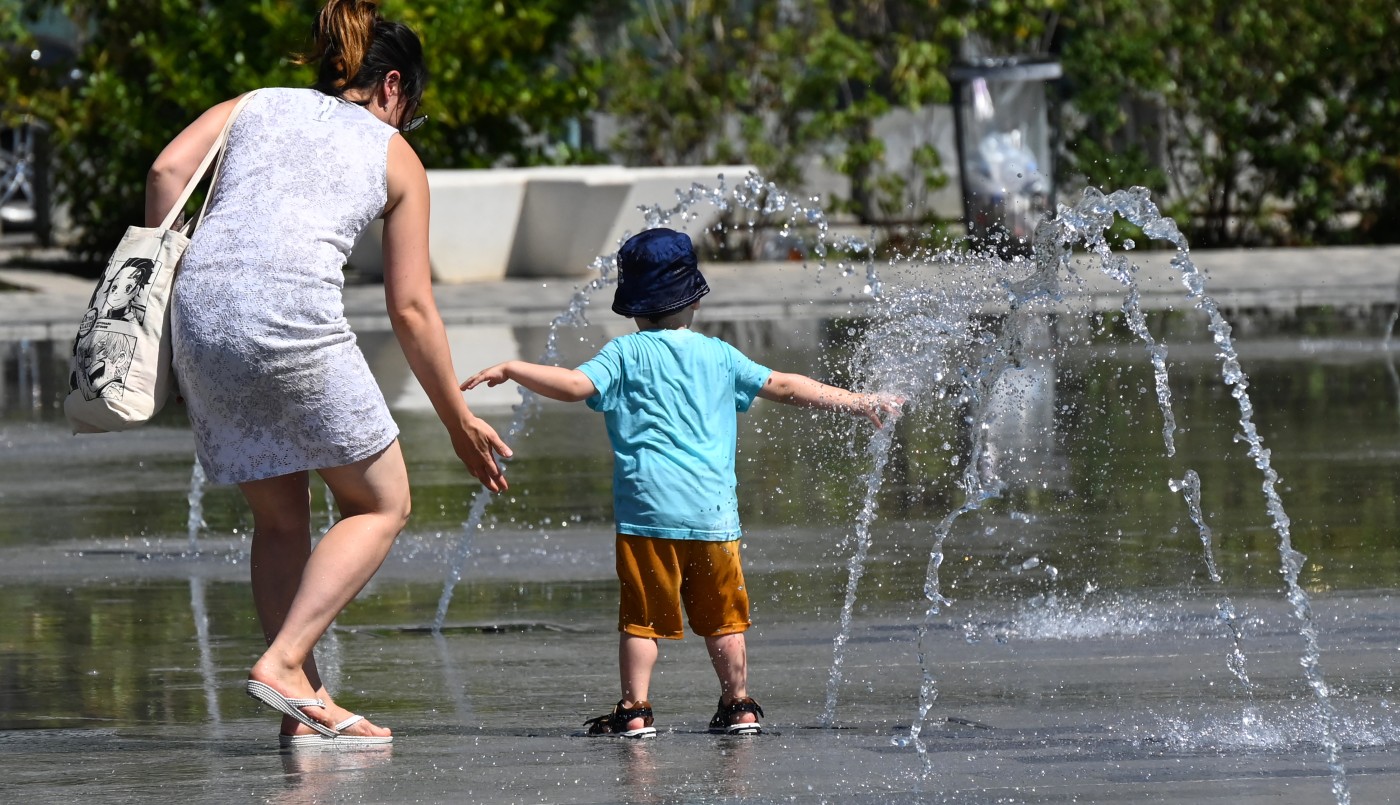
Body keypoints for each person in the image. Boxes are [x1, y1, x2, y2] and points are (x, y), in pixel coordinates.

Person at [145, 0, 510, 747]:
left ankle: (303, 704)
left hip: (202, 314)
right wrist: (456, 420)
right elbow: (410, 308)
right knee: (381, 502)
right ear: (392, 87)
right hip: (288, 318)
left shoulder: (254, 105)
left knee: (281, 517)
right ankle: (283, 663)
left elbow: (167, 169)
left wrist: (170, 279)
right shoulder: (393, 152)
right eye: (411, 108)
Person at [464, 228, 901, 737]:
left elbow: (574, 386)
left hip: (648, 514)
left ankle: (635, 710)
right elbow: (783, 385)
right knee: (725, 620)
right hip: (714, 517)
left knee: (642, 619)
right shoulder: (719, 354)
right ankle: (738, 704)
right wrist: (856, 400)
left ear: (632, 307)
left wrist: (516, 368)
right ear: (693, 300)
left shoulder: (623, 354)